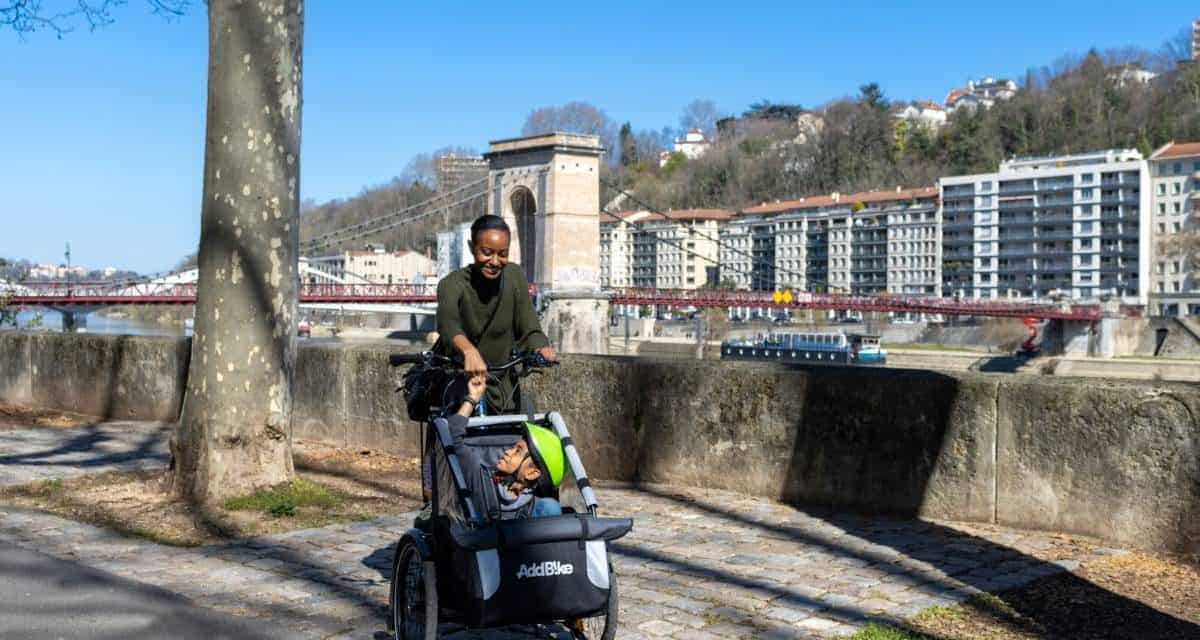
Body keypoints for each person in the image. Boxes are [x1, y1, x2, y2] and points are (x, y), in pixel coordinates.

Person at [433, 214, 557, 414]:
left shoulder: (514, 277)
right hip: (463, 382)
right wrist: (468, 351)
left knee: (517, 438)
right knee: (461, 439)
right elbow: (448, 324)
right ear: (472, 248)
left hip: (504, 384)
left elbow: (528, 324)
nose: (495, 261)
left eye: (503, 254)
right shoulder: (452, 284)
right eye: (487, 252)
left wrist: (540, 346)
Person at [447, 375, 564, 520]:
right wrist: (472, 398)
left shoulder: (541, 510)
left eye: (518, 451)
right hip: (485, 540)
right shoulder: (481, 479)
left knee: (551, 507)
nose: (508, 451)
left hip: (528, 537)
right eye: (514, 447)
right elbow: (452, 434)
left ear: (532, 473)